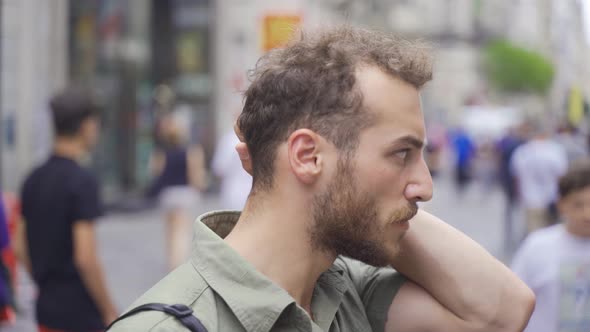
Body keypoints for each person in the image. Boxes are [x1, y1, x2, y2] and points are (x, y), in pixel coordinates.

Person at [109, 26, 534, 331]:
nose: (424, 185)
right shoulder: (169, 326)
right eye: (401, 154)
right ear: (307, 156)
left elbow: (503, 311)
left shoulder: (345, 291)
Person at [15, 88, 118, 331]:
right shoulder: (82, 181)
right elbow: (85, 257)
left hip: (46, 309)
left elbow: (19, 246)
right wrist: (108, 309)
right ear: (86, 126)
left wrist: (45, 281)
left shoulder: (32, 179)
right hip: (80, 313)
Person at [511, 158, 590, 332]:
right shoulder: (537, 246)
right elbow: (513, 299)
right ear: (561, 204)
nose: (587, 214)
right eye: (578, 204)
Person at [147, 110, 207, 270]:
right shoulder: (191, 151)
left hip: (167, 195)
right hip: (185, 195)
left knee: (170, 231)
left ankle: (171, 262)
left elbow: (155, 172)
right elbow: (194, 176)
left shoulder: (161, 152)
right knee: (182, 232)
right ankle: (178, 264)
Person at [510, 123, 568, 234]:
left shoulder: (522, 151)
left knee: (534, 233)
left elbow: (516, 177)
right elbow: (562, 176)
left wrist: (519, 195)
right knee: (552, 233)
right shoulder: (555, 150)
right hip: (552, 198)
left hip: (531, 199)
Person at [211, 127, 252, 210]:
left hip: (232, 194)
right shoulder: (258, 138)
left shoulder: (228, 141)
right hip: (252, 193)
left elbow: (219, 169)